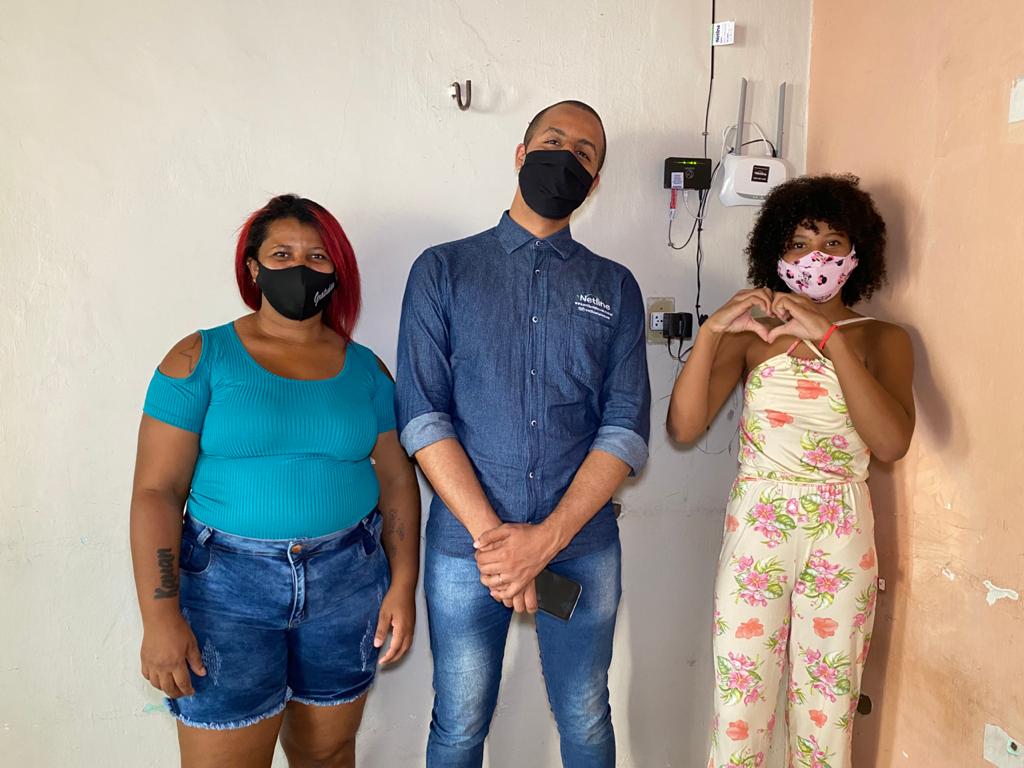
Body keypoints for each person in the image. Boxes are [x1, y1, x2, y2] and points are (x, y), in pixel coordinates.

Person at [396, 100, 650, 768]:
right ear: (521, 153)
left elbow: (625, 426)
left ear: (594, 182)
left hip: (580, 547)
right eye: (553, 141)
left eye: (584, 153)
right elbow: (422, 416)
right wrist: (498, 544)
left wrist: (544, 541)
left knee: (587, 718)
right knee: (458, 723)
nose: (566, 157)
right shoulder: (442, 270)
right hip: (467, 551)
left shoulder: (614, 287)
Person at [129, 194, 420, 768]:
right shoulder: (199, 357)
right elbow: (155, 493)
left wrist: (403, 584)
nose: (300, 267)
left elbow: (396, 480)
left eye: (317, 256)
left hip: (347, 583)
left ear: (336, 271)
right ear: (254, 268)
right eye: (282, 254)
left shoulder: (367, 369)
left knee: (328, 753)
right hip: (224, 593)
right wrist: (160, 617)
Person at [667, 175, 914, 767]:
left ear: (857, 253)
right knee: (740, 703)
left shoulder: (881, 338)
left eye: (832, 243)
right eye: (799, 244)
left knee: (829, 709)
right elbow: (683, 428)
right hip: (759, 525)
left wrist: (830, 339)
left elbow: (890, 443)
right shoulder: (755, 337)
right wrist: (712, 332)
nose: (815, 258)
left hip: (841, 528)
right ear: (775, 254)